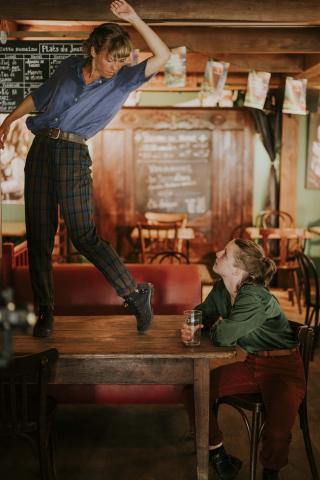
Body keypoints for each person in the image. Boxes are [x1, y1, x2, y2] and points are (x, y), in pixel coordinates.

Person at [0, 0, 171, 338]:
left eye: (122, 60)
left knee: (82, 234)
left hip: (73, 153)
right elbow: (39, 97)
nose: (115, 65)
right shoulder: (68, 67)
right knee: (38, 237)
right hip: (40, 149)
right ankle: (45, 312)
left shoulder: (122, 81)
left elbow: (163, 56)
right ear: (93, 50)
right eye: (110, 57)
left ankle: (136, 295)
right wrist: (8, 120)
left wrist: (134, 18)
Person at [181, 239, 306, 480]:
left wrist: (215, 325)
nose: (217, 252)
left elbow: (224, 337)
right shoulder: (221, 289)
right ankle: (218, 454)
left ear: (238, 270)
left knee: (277, 433)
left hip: (283, 369)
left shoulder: (253, 297)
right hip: (251, 363)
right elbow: (201, 314)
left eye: (225, 253)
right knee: (193, 389)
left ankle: (271, 474)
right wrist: (193, 325)